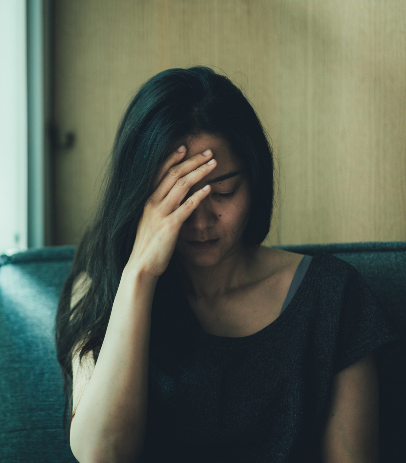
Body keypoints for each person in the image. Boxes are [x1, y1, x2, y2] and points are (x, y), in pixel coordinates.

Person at [54, 66, 400, 462]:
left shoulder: (334, 298)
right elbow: (101, 453)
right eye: (176, 198)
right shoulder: (101, 287)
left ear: (254, 181)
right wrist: (139, 274)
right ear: (140, 198)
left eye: (223, 191)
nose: (200, 221)